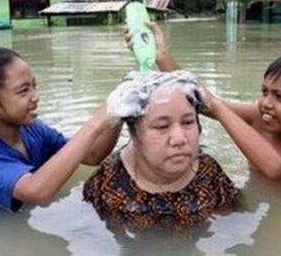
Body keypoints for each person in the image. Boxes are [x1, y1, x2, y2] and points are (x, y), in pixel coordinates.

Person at [126, 23, 281, 188]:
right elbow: (203, 104)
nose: (266, 103)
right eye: (264, 92)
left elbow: (277, 168)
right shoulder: (258, 116)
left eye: (280, 97)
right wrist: (161, 57)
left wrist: (219, 107)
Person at [0, 47, 122, 212]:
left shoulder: (33, 129)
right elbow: (37, 191)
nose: (36, 97)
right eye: (24, 91)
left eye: (34, 86)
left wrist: (120, 109)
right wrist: (94, 125)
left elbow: (92, 155)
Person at [83, 71, 239, 229]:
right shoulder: (108, 183)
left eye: (188, 122)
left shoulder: (210, 175)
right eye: (162, 126)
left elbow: (230, 226)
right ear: (134, 134)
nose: (179, 139)